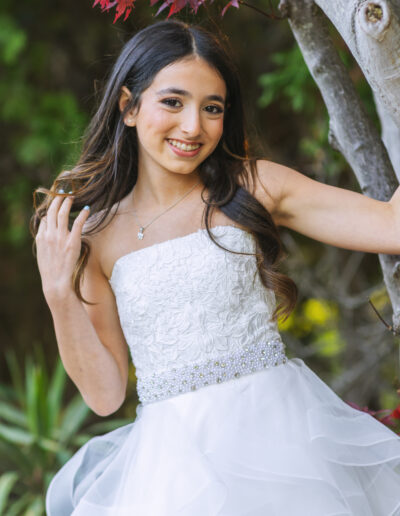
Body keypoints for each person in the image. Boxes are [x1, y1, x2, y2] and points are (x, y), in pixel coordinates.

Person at [31, 18, 400, 516]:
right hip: (173, 471)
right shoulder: (95, 238)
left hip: (284, 442)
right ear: (129, 106)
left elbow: (391, 227)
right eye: (172, 102)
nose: (193, 127)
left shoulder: (255, 186)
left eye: (213, 109)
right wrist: (59, 295)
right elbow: (104, 394)